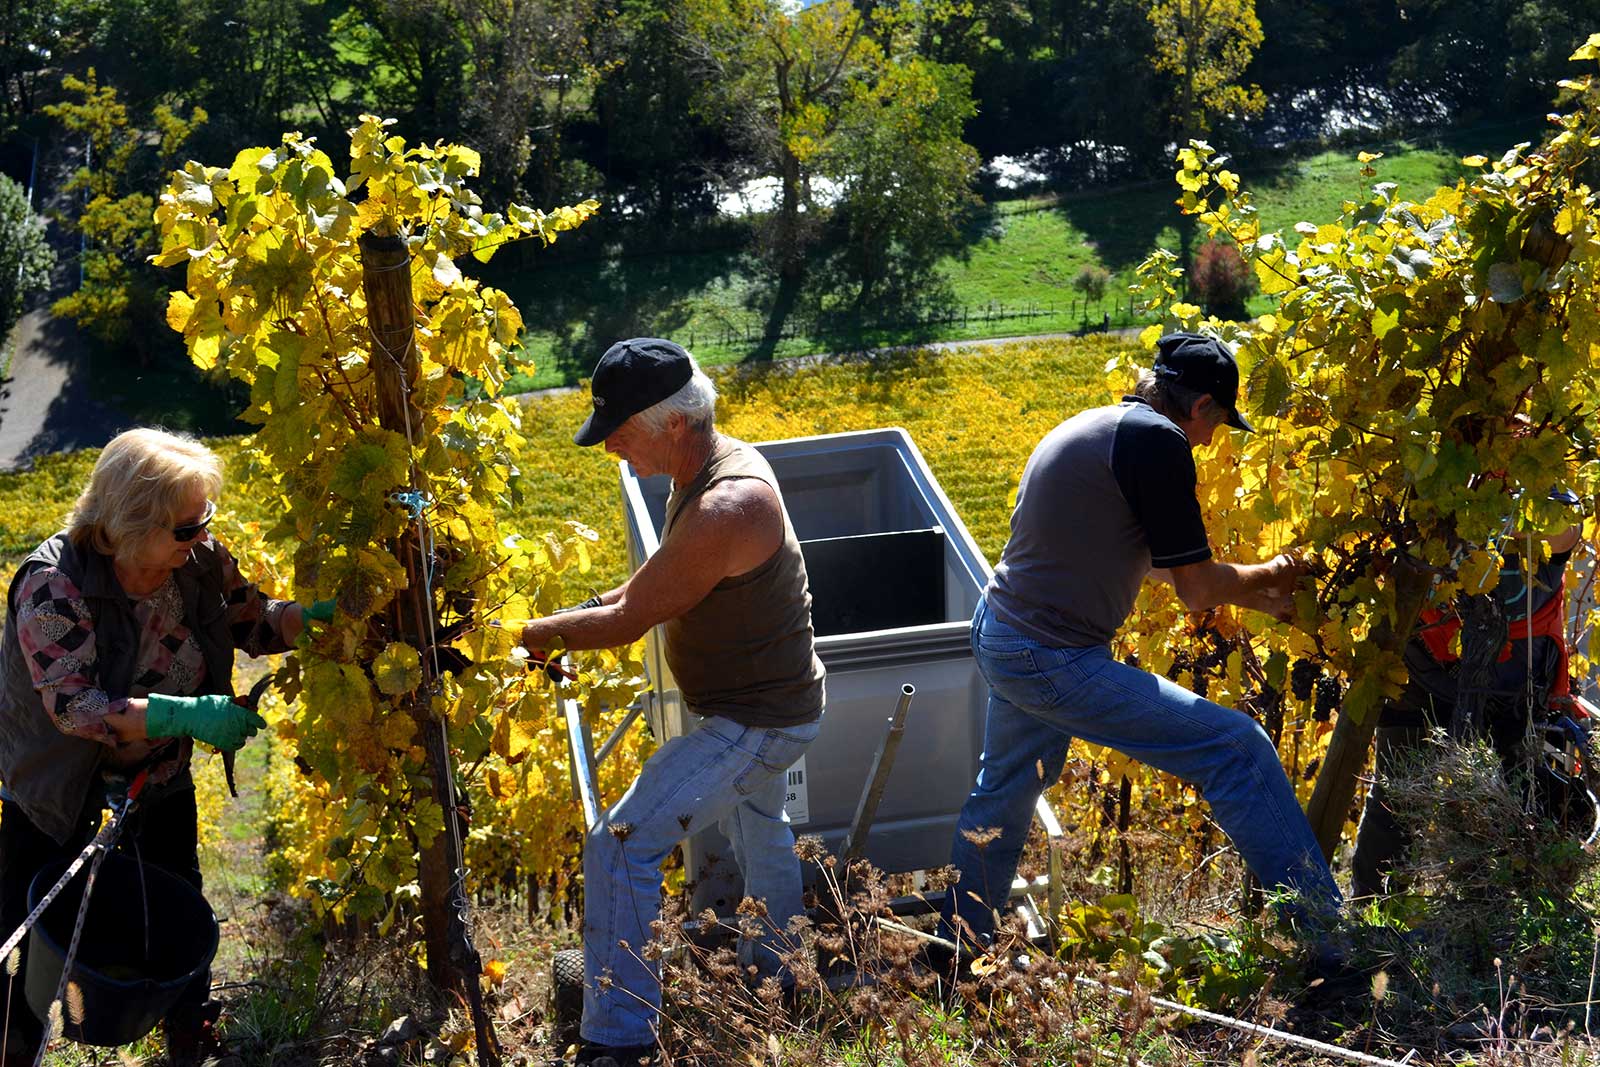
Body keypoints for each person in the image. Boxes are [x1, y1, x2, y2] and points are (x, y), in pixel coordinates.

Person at [940, 331, 1341, 954]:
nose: (1212, 441)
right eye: (1217, 424)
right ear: (1201, 406)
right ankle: (1332, 947)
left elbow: (1146, 559)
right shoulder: (1160, 440)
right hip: (1050, 654)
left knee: (1005, 792)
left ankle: (957, 953)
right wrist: (1277, 572)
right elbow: (1196, 589)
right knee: (1238, 748)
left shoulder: (1100, 427)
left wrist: (1253, 595)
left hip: (1006, 633)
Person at [518, 338, 825, 1067]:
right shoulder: (697, 470)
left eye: (621, 433)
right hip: (763, 701)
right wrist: (569, 618)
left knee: (621, 842)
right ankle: (782, 978)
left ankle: (618, 1040)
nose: (611, 448)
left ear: (675, 424)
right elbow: (645, 587)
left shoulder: (726, 501)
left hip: (759, 719)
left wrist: (535, 632)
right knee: (762, 829)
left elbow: (631, 618)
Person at [0, 428, 331, 1067]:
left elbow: (254, 620)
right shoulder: (53, 584)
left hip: (157, 773)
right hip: (57, 784)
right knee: (29, 932)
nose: (201, 537)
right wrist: (185, 712)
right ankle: (16, 1048)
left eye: (204, 521)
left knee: (175, 902)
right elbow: (75, 706)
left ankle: (187, 1035)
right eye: (185, 528)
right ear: (131, 522)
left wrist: (308, 620)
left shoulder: (199, 560)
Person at [1350, 500, 1584, 898]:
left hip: (1512, 674)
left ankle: (1491, 918)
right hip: (1421, 651)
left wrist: (1478, 516)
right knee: (1396, 787)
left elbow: (1564, 532)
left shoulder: (1544, 480)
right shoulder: (1429, 466)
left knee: (1510, 790)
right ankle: (1373, 915)